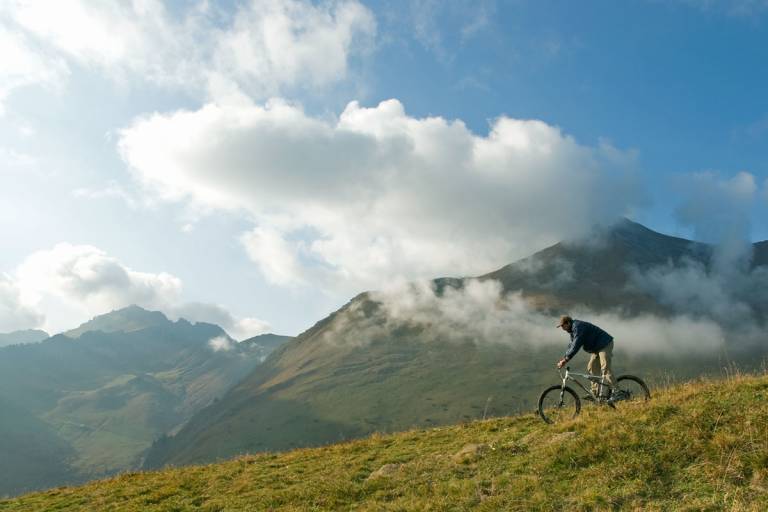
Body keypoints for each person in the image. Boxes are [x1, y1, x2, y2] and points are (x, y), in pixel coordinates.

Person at [555, 315, 615, 398]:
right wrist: (564, 358)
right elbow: (571, 345)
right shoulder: (573, 330)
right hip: (596, 348)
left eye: (563, 326)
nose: (562, 329)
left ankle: (617, 392)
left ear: (568, 323)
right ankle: (595, 393)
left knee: (605, 368)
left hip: (605, 344)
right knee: (591, 367)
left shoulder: (578, 327)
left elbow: (576, 345)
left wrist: (566, 360)